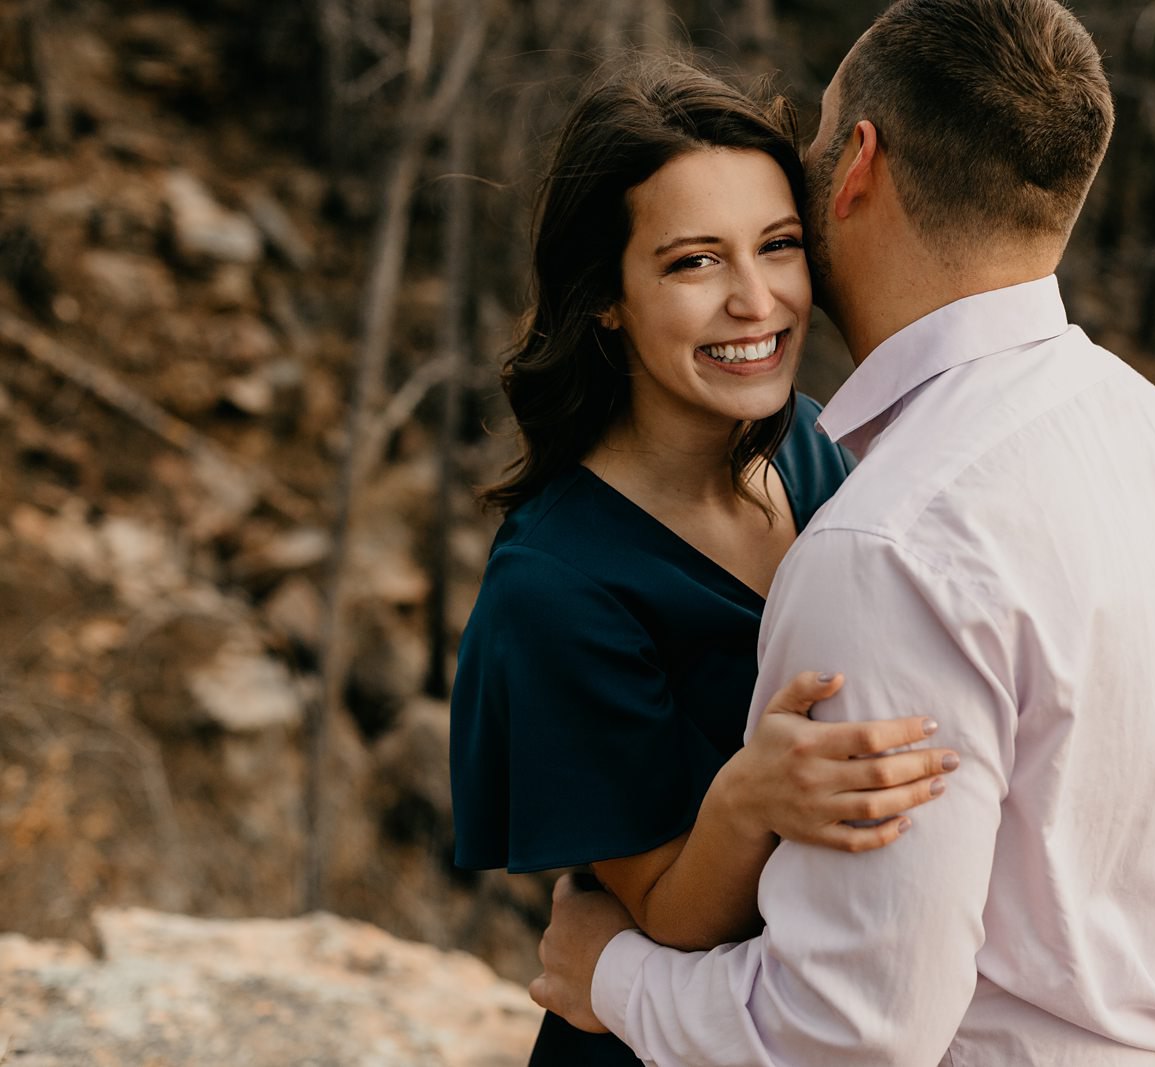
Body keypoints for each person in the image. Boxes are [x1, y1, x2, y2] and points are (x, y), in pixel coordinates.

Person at [528, 0, 1155, 1064]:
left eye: (822, 127)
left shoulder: (889, 545)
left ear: (859, 162)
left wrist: (613, 973)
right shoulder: (1152, 434)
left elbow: (849, 1034)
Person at [449, 60, 962, 1067]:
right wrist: (748, 793)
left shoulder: (818, 446)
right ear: (606, 298)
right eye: (693, 263)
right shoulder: (554, 587)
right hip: (656, 1038)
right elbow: (670, 914)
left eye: (777, 246)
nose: (754, 298)